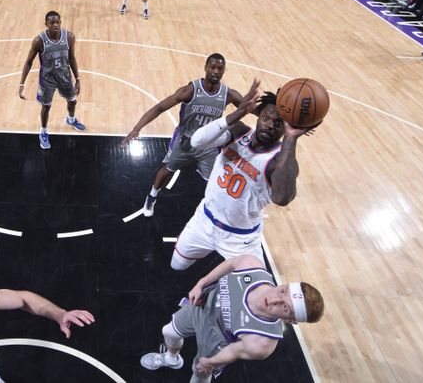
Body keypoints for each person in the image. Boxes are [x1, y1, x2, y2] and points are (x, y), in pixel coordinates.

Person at [171, 79, 315, 270]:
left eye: (279, 124)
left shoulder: (280, 161)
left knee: (250, 290)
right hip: (204, 221)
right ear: (258, 116)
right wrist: (238, 113)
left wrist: (290, 138)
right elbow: (197, 141)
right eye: (266, 118)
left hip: (241, 239)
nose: (270, 125)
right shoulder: (238, 131)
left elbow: (282, 198)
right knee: (177, 265)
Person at [140, 254, 324, 382]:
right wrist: (201, 283)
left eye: (285, 308)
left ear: (290, 321)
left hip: (216, 338)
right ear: (283, 284)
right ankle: (172, 359)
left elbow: (234, 352)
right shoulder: (252, 267)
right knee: (168, 331)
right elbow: (230, 264)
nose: (274, 299)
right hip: (203, 306)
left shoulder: (261, 343)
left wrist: (211, 362)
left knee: (201, 372)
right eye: (283, 291)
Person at [121, 53, 242, 217]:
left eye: (220, 68)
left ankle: (213, 210)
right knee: (166, 170)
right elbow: (159, 108)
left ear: (224, 71)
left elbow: (253, 109)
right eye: (212, 67)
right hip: (185, 141)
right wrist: (137, 128)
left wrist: (278, 110)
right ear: (205, 68)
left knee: (213, 181)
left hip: (209, 145)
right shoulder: (191, 90)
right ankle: (152, 196)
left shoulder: (228, 94)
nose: (215, 71)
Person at [19, 10, 86, 149]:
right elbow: (28, 62)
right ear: (46, 24)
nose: (55, 25)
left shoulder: (69, 37)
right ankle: (43, 131)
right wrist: (22, 83)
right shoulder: (39, 41)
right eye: (52, 22)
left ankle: (71, 120)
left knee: (73, 101)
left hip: (65, 76)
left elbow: (72, 58)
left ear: (60, 23)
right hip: (47, 79)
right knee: (46, 107)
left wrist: (77, 78)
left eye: (57, 22)